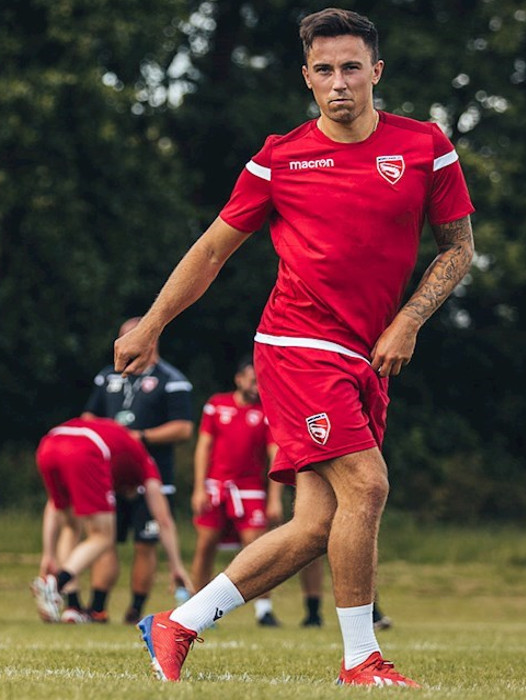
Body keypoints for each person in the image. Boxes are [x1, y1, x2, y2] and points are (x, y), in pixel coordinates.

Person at [118, 7, 474, 687]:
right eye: (324, 70)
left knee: (316, 525)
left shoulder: (426, 145)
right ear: (306, 77)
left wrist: (409, 321)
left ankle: (178, 624)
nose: (339, 82)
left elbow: (458, 249)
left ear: (376, 71)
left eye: (351, 67)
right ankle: (361, 659)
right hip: (296, 345)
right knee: (368, 486)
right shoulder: (279, 158)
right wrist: (152, 324)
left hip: (365, 357)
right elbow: (212, 251)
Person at [82, 316, 194, 623]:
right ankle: (97, 607)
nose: (123, 345)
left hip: (153, 476)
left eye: (131, 337)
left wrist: (139, 438)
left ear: (150, 339)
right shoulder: (107, 376)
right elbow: (89, 416)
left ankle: (134, 610)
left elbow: (183, 428)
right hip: (111, 476)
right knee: (104, 539)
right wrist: (107, 437)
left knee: (145, 543)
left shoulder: (172, 380)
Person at [31, 417, 193, 624]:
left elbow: (54, 505)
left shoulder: (116, 446)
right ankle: (56, 584)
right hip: (86, 448)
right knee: (103, 536)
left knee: (71, 525)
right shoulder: (145, 463)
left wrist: (49, 554)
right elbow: (164, 519)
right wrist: (176, 565)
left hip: (49, 444)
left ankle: (72, 607)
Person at [190, 357, 284, 627]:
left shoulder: (266, 412)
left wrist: (274, 497)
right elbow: (203, 447)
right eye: (253, 381)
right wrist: (199, 488)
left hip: (250, 489)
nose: (256, 386)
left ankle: (263, 609)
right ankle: (196, 608)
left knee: (257, 548)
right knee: (205, 545)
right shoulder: (216, 405)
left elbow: (275, 454)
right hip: (215, 486)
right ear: (239, 379)